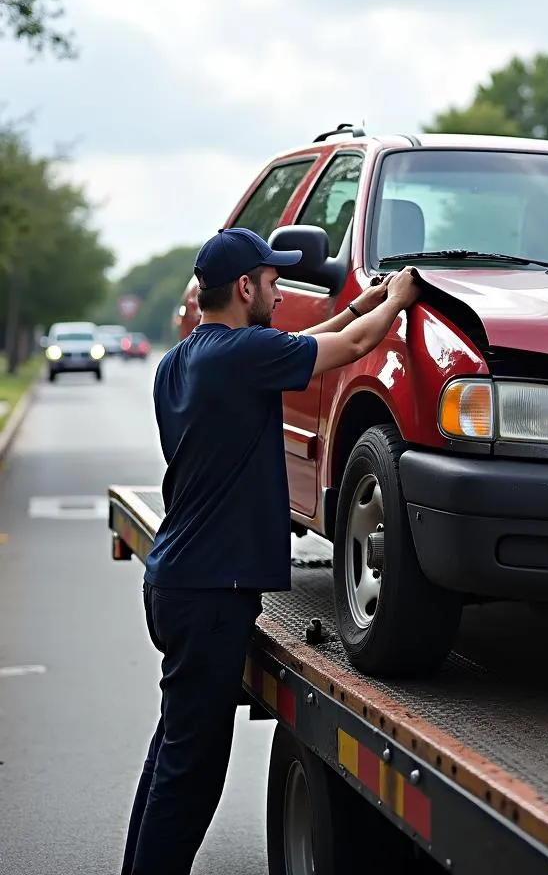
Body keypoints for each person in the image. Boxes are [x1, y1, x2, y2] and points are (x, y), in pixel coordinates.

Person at [120, 227, 420, 875]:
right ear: (245, 287)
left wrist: (366, 300)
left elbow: (332, 328)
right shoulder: (242, 355)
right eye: (275, 281)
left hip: (177, 579)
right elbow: (354, 345)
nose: (282, 293)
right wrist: (400, 296)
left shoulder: (184, 360)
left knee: (174, 753)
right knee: (192, 777)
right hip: (210, 595)